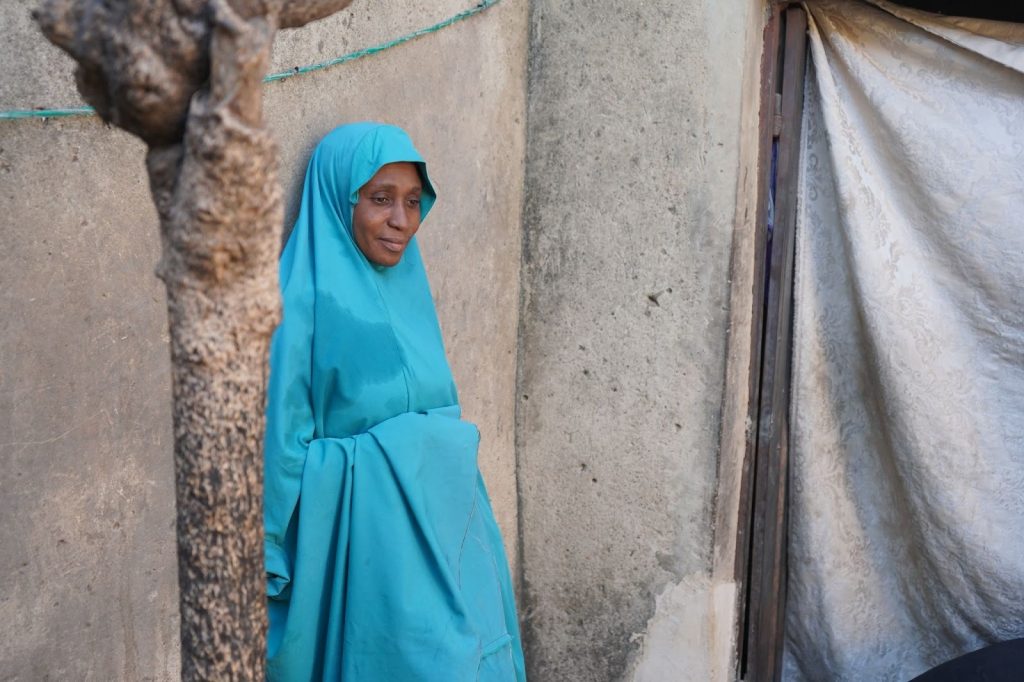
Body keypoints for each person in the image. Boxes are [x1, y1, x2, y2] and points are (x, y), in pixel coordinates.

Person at [263, 122, 526, 681]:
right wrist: (265, 552)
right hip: (365, 549)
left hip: (444, 531)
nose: (402, 221)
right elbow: (278, 444)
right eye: (381, 200)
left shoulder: (408, 285)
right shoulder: (300, 302)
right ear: (342, 199)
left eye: (412, 201)